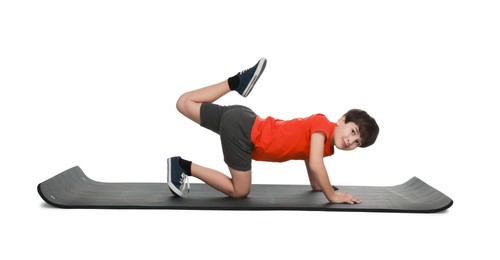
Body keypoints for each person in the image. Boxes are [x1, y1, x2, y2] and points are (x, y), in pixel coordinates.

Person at [167, 58, 379, 204]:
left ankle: (235, 83)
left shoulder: (323, 143)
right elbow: (315, 163)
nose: (350, 141)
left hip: (244, 119)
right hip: (244, 134)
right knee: (240, 191)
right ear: (342, 120)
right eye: (353, 131)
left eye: (357, 142)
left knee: (183, 103)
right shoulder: (322, 125)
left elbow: (311, 161)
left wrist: (318, 186)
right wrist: (331, 195)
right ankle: (182, 166)